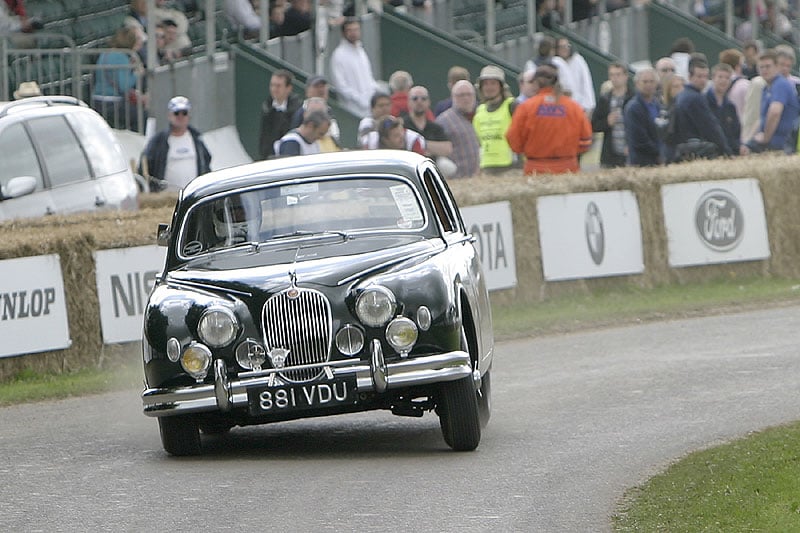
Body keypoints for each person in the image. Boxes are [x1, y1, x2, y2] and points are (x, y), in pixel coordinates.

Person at [506, 64, 593, 174]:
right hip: (568, 170)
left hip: (535, 170)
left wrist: (525, 150)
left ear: (536, 83)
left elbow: (513, 138)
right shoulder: (574, 107)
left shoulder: (525, 107)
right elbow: (586, 141)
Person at [140, 96, 212, 191]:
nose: (180, 117)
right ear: (169, 115)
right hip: (166, 199)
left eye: (184, 113)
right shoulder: (159, 141)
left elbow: (206, 164)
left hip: (193, 196)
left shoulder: (197, 140)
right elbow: (145, 166)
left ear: (189, 116)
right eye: (176, 113)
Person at [670, 57, 731, 162]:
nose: (703, 80)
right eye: (699, 76)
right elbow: (711, 128)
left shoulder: (682, 95)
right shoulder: (696, 98)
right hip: (696, 150)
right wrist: (726, 151)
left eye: (705, 76)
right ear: (689, 76)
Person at [92, 25, 147, 131]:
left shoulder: (106, 53)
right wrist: (137, 74)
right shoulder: (121, 56)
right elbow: (124, 85)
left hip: (97, 100)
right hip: (111, 102)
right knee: (143, 116)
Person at [747, 49, 800, 153]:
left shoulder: (780, 84)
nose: (764, 70)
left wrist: (766, 138)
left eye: (768, 66)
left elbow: (775, 112)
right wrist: (748, 140)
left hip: (781, 145)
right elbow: (761, 119)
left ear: (776, 67)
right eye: (761, 67)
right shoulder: (766, 88)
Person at [329, 18, 380, 118]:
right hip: (352, 109)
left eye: (356, 29)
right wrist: (359, 100)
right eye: (350, 30)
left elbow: (368, 77)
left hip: (370, 107)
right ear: (343, 33)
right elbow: (341, 86)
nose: (354, 33)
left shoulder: (361, 51)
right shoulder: (339, 55)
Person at [472, 65, 517, 174]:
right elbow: (479, 142)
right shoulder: (480, 111)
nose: (489, 87)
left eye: (493, 83)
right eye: (486, 84)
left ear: (501, 87)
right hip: (487, 167)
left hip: (511, 168)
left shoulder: (512, 106)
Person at [435, 80, 482, 178]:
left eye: (469, 94)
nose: (466, 98)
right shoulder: (443, 121)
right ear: (453, 97)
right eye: (461, 95)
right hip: (458, 179)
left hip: (482, 178)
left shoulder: (482, 114)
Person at [591, 62, 634, 168]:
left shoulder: (633, 98)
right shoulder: (605, 99)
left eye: (618, 74)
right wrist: (607, 122)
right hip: (610, 154)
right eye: (612, 75)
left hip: (630, 152)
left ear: (625, 76)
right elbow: (594, 125)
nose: (615, 78)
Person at [258, 69, 302, 159]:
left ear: (288, 88)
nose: (274, 89)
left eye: (278, 86)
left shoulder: (297, 109)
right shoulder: (267, 108)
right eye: (272, 85)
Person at [400, 85, 453, 159]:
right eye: (415, 99)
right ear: (408, 102)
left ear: (429, 102)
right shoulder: (401, 125)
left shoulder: (435, 127)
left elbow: (447, 149)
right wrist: (433, 148)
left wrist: (421, 144)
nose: (419, 101)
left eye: (423, 98)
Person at [623, 67, 662, 166]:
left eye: (651, 81)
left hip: (657, 161)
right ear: (637, 84)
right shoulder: (633, 108)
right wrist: (659, 152)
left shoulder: (658, 105)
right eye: (645, 82)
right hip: (640, 162)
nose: (648, 85)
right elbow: (639, 139)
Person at [706, 63, 742, 157]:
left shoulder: (730, 107)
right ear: (713, 78)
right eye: (720, 77)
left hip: (729, 153)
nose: (723, 81)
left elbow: (736, 132)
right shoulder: (704, 102)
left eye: (727, 78)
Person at [555, 37, 595, 117]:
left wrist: (589, 106)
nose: (565, 49)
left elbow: (586, 84)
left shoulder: (578, 60)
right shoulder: (555, 62)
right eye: (562, 47)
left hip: (580, 107)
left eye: (567, 46)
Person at [361, 115, 426, 154]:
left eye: (401, 131)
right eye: (396, 135)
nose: (402, 136)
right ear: (385, 140)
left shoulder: (413, 141)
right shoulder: (370, 143)